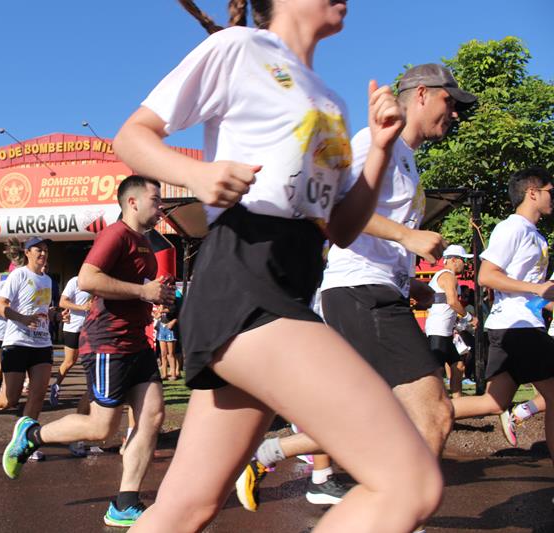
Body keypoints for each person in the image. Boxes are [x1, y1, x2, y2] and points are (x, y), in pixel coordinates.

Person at [112, 2, 445, 530]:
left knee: (184, 508)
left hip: (292, 280)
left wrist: (379, 149)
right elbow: (133, 135)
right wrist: (194, 176)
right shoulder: (238, 47)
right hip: (242, 275)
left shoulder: (330, 99)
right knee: (410, 483)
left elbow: (340, 228)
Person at [235, 61, 477, 518]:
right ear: (422, 94)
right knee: (434, 414)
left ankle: (267, 456)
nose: (456, 113)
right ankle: (400, 518)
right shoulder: (374, 143)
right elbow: (336, 210)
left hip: (376, 289)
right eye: (451, 100)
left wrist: (411, 283)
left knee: (373, 417)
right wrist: (408, 237)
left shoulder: (405, 157)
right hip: (360, 290)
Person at [0, 176, 172, 528]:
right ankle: (31, 435)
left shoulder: (145, 243)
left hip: (136, 341)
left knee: (152, 416)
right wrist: (143, 293)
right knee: (100, 428)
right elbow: (88, 279)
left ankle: (124, 502)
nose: (161, 206)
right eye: (155, 199)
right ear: (133, 202)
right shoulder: (116, 234)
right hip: (108, 340)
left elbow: (141, 289)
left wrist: (159, 297)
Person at [451, 167, 554, 461]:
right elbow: (486, 276)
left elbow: (529, 291)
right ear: (532, 193)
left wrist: (543, 298)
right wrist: (537, 290)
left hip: (520, 323)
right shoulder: (513, 228)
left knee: (495, 403)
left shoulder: (535, 235)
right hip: (516, 328)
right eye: (551, 191)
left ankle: (420, 411)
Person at [0, 237, 54, 464]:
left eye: (46, 250)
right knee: (10, 398)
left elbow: (42, 308)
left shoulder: (48, 280)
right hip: (16, 342)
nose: (43, 254)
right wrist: (23, 319)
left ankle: (25, 442)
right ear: (27, 252)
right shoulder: (18, 275)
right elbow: (1, 305)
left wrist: (54, 314)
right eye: (39, 250)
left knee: (37, 396)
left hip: (42, 343)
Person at [425, 245, 477, 398]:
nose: (465, 264)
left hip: (445, 331)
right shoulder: (448, 276)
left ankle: (457, 403)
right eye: (463, 260)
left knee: (458, 366)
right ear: (454, 260)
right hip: (438, 330)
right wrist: (470, 318)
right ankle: (431, 402)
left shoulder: (445, 276)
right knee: (437, 370)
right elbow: (452, 302)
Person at [50, 275, 93, 406]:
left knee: (91, 360)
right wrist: (82, 307)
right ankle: (56, 386)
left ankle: (93, 393)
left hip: (90, 328)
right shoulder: (75, 281)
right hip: (73, 328)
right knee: (69, 362)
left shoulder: (97, 282)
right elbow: (62, 302)